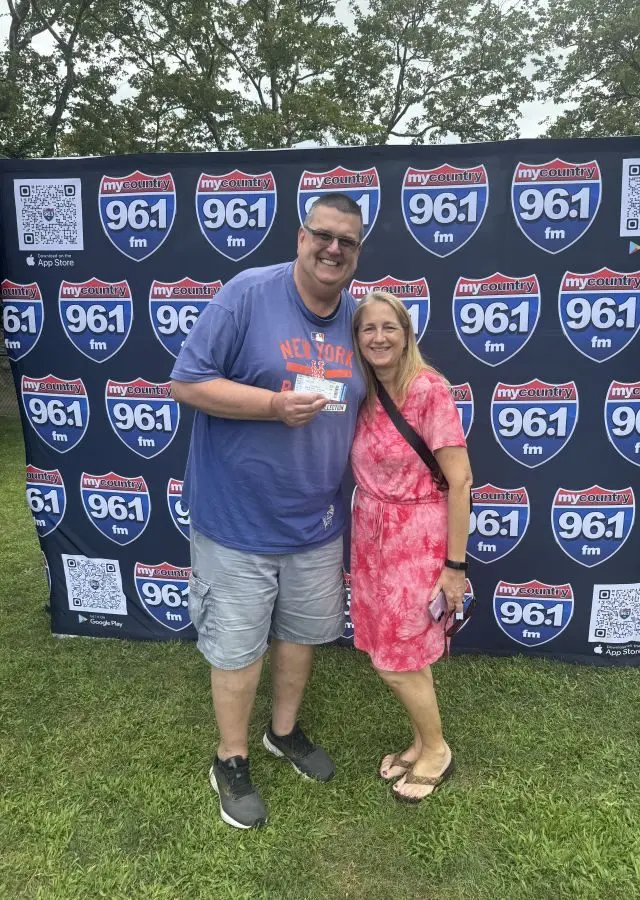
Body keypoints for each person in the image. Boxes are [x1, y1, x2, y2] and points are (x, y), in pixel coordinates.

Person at [170, 193, 365, 829]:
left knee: (302, 635)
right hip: (237, 518)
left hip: (316, 521)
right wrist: (272, 406)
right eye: (323, 235)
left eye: (347, 242)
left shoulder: (359, 319)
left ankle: (283, 732)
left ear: (357, 253)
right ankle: (230, 757)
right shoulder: (247, 294)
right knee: (236, 647)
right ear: (301, 237)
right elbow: (186, 382)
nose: (333, 249)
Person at [349, 290, 472, 803]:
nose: (378, 337)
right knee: (404, 654)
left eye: (389, 327)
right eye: (368, 328)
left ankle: (437, 751)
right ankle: (421, 741)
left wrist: (454, 567)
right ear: (356, 338)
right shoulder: (365, 391)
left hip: (416, 541)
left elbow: (460, 481)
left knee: (394, 660)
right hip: (371, 539)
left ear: (406, 335)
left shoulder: (428, 390)